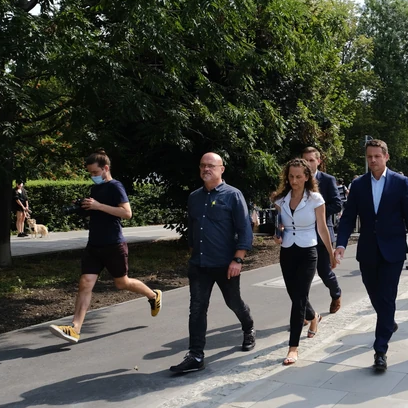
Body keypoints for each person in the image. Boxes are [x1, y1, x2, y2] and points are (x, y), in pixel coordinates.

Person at [48, 149, 162, 344]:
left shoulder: (116, 186)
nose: (92, 176)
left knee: (121, 283)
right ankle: (75, 328)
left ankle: (153, 295)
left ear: (105, 168)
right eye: (90, 173)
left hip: (113, 244)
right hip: (94, 244)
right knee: (85, 282)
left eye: (95, 172)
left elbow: (127, 213)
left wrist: (98, 206)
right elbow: (97, 211)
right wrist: (84, 207)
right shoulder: (95, 189)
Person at [335, 139, 408, 372]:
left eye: (377, 156)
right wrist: (341, 244)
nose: (373, 160)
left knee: (387, 296)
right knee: (375, 294)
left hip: (393, 250)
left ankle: (380, 350)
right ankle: (388, 321)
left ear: (386, 156)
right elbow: (348, 217)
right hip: (367, 250)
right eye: (369, 157)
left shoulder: (400, 182)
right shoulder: (359, 184)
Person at [170, 152, 256, 373]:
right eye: (202, 166)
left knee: (233, 302)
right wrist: (192, 253)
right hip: (199, 264)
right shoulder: (194, 197)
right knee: (197, 309)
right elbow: (192, 229)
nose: (206, 169)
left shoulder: (233, 195)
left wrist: (238, 259)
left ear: (221, 169)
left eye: (211, 165)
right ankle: (196, 355)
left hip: (226, 264)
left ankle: (248, 327)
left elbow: (244, 230)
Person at [272, 158, 337, 365]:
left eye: (298, 177)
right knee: (294, 294)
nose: (294, 181)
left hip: (308, 251)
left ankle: (293, 347)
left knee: (299, 298)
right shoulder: (281, 200)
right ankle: (314, 316)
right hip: (287, 251)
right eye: (291, 176)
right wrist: (278, 233)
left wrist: (331, 253)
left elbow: (322, 228)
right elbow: (280, 225)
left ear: (307, 177)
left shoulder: (315, 199)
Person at [301, 147, 343, 314]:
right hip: (302, 235)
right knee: (302, 276)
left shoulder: (327, 180)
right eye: (305, 160)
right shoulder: (297, 179)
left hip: (322, 233)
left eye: (311, 160)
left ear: (318, 161)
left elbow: (337, 204)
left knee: (324, 272)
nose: (308, 164)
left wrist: (317, 212)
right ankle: (305, 312)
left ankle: (336, 293)